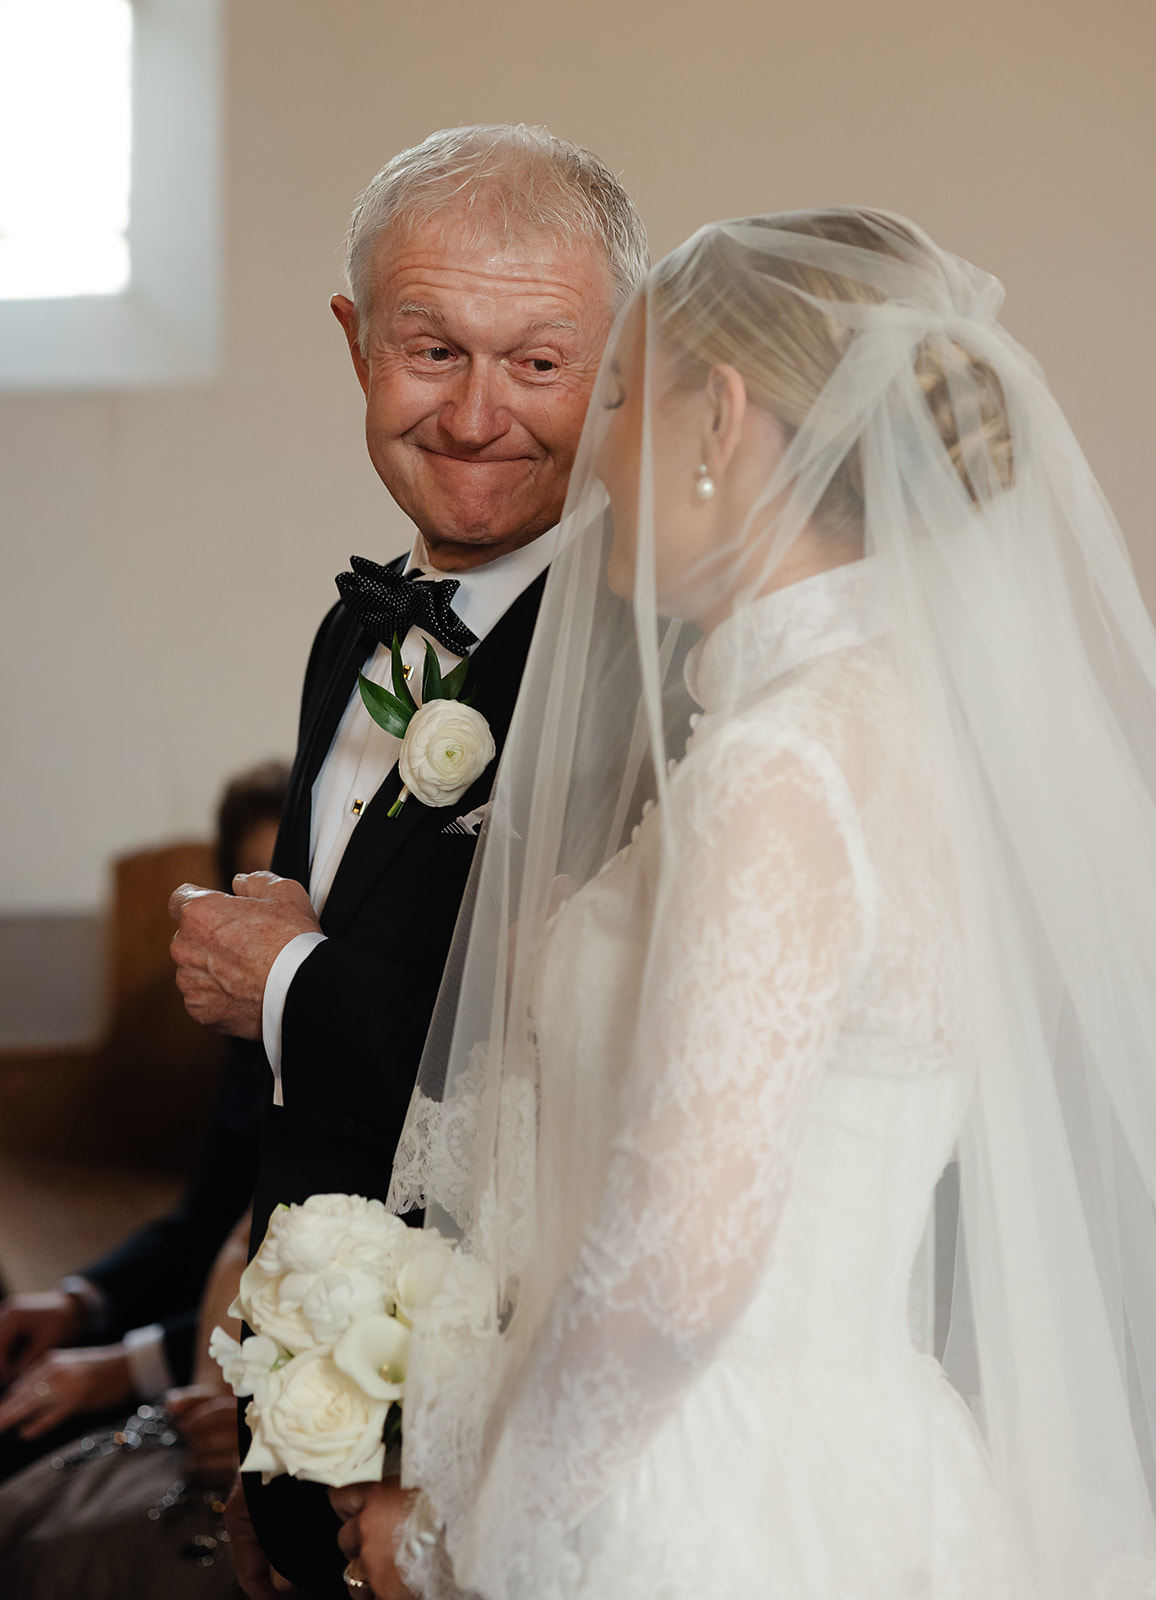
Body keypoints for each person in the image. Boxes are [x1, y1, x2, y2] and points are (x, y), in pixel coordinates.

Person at [357, 210, 1156, 1597]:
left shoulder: (778, 766)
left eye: (617, 394)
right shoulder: (897, 724)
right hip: (853, 1468)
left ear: (720, 418)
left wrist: (456, 1538)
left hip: (699, 1500)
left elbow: (675, 1271)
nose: (596, 448)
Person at [167, 124, 647, 1599]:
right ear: (354, 340)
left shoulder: (653, 665)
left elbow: (592, 1091)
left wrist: (286, 979)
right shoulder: (352, 629)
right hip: (317, 1405)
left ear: (626, 362)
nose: (479, 412)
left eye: (542, 362)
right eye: (432, 348)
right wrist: (265, 1411)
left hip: (509, 1433)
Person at [0, 760, 289, 1486]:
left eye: (294, 874)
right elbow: (207, 1215)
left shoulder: (334, 1017)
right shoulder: (245, 1016)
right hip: (201, 1314)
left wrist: (126, 1365)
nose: (272, 908)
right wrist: (80, 1300)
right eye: (251, 879)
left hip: (256, 1361)